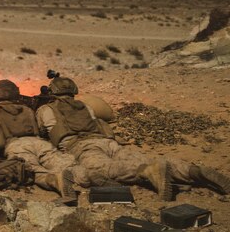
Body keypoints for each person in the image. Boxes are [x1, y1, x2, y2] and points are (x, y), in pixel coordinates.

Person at [36, 76, 230, 200]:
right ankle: (192, 171)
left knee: (107, 170)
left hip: (83, 146)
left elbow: (42, 134)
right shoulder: (85, 106)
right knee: (146, 158)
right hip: (109, 142)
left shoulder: (46, 109)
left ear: (52, 92)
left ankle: (147, 172)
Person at [0, 80, 78, 203]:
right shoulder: (27, 110)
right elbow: (37, 131)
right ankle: (83, 177)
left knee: (32, 170)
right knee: (61, 161)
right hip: (40, 143)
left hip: (16, 146)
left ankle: (56, 181)